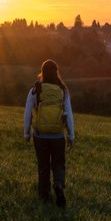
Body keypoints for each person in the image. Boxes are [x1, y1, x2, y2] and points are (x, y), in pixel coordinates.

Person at [23, 59, 75, 207]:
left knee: (43, 166)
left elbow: (28, 113)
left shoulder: (35, 90)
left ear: (42, 72)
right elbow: (69, 114)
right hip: (58, 135)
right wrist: (71, 135)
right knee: (58, 164)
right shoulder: (63, 90)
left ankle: (44, 196)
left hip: (40, 135)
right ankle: (58, 184)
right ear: (56, 72)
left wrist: (26, 133)